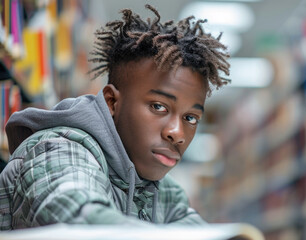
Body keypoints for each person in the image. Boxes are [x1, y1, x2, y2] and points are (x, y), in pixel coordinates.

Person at [0, 4, 230, 230]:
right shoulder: (57, 151)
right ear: (112, 102)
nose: (177, 133)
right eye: (159, 106)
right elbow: (80, 218)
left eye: (190, 118)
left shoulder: (166, 193)